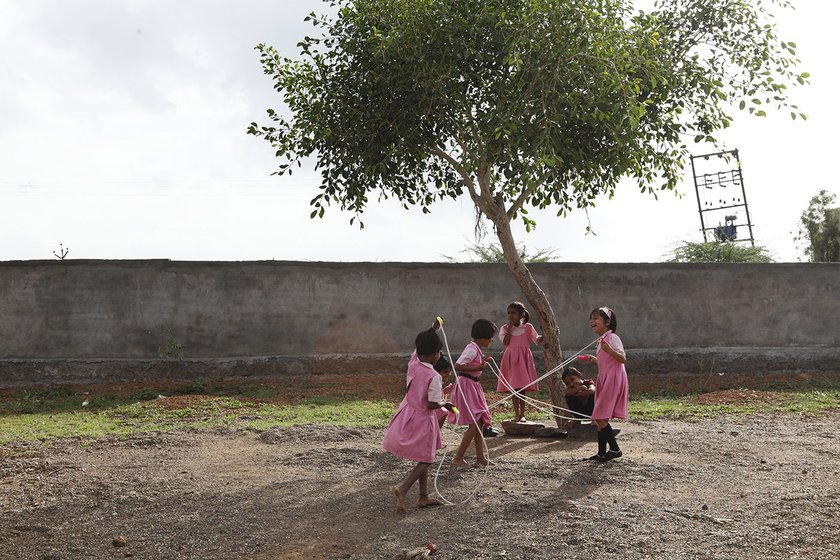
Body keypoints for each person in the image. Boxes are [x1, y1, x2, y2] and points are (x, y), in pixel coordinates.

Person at [383, 326, 457, 513]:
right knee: (428, 457)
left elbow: (417, 350)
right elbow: (432, 404)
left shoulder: (413, 364)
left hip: (407, 412)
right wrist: (445, 405)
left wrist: (432, 329)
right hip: (424, 418)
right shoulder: (434, 376)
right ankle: (403, 488)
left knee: (423, 454)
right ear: (435, 354)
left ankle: (423, 496)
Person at [578, 306, 628, 461]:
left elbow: (622, 359)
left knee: (600, 416)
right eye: (591, 318)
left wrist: (609, 350)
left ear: (607, 322)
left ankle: (615, 449)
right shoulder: (601, 340)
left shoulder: (612, 338)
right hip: (605, 378)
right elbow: (607, 361)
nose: (592, 321)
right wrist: (595, 360)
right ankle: (601, 452)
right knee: (600, 417)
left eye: (596, 318)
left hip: (613, 379)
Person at [448, 318, 496, 468]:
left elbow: (471, 363)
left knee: (480, 422)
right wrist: (478, 368)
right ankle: (458, 457)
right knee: (475, 423)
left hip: (473, 385)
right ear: (483, 337)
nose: (491, 340)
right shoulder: (471, 349)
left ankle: (480, 457)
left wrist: (480, 363)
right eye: (490, 337)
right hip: (466, 386)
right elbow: (458, 365)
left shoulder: (475, 349)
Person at [497, 301, 543, 422]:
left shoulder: (528, 327)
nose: (510, 316)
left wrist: (548, 333)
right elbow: (506, 342)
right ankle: (516, 413)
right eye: (508, 313)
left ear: (521, 315)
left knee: (522, 387)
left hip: (523, 359)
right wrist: (510, 328)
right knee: (513, 387)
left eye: (514, 313)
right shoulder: (505, 328)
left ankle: (522, 414)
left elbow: (536, 340)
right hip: (511, 360)